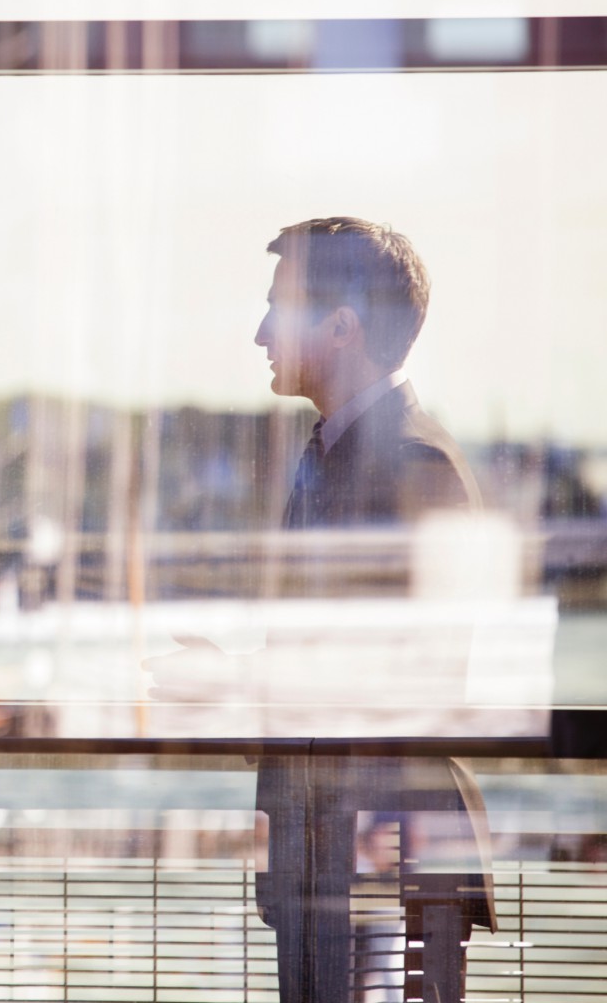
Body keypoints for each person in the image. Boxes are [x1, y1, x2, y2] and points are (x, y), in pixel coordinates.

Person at [250, 217, 496, 1003]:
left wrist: (240, 683)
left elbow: (420, 676)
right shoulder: (332, 452)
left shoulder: (416, 462)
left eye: (278, 308)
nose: (261, 333)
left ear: (341, 326)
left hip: (382, 857)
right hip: (331, 856)